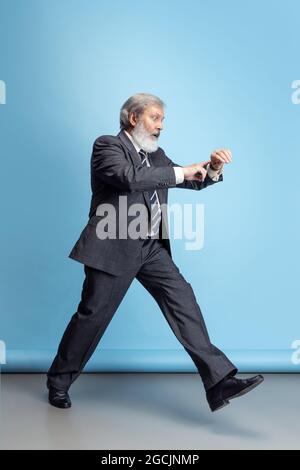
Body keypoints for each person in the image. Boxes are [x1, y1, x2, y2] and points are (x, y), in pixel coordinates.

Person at [46, 92, 263, 412]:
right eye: (155, 117)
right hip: (113, 244)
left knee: (183, 301)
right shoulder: (107, 146)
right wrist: (183, 171)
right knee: (92, 317)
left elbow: (188, 179)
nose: (161, 125)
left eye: (163, 119)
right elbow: (128, 178)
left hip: (150, 247)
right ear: (133, 118)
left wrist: (212, 169)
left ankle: (219, 381)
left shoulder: (156, 154)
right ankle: (58, 382)